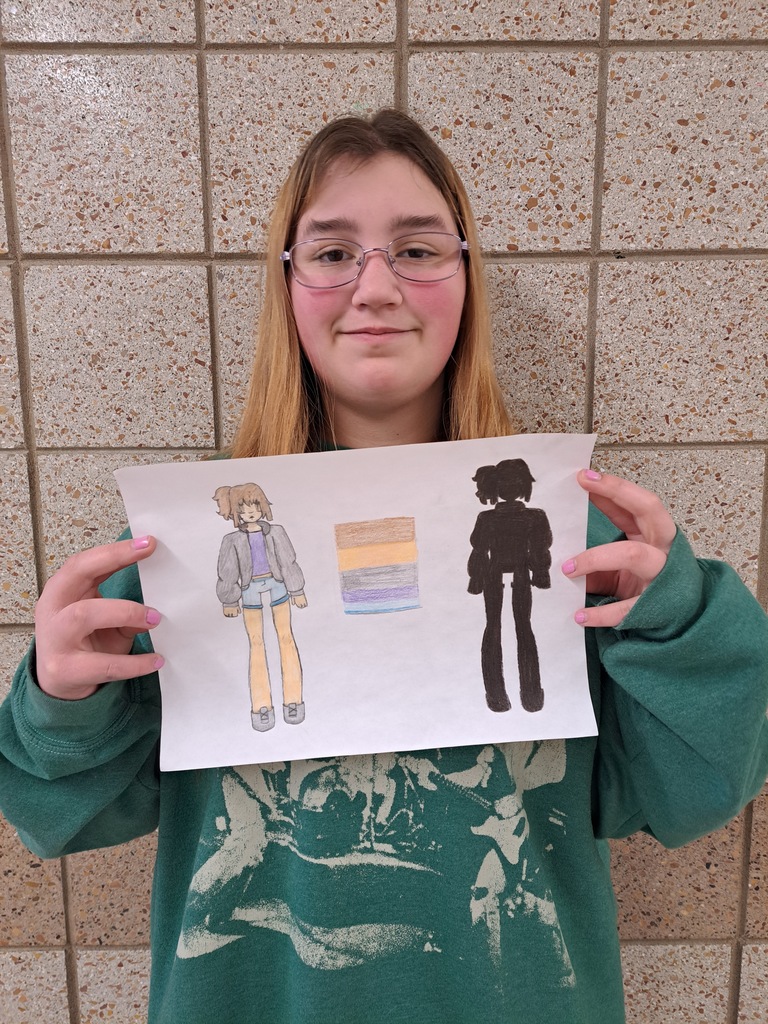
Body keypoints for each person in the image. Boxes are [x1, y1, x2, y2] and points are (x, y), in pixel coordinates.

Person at [0, 109, 766, 1024]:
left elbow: (702, 786)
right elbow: (60, 815)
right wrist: (60, 701)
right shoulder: (173, 565)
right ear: (286, 285)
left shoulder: (584, 550)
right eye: (331, 253)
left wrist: (681, 620)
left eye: (417, 248)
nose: (374, 287)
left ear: (465, 279)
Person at [213, 481, 308, 732]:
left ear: (262, 505)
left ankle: (294, 701)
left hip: (278, 587)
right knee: (256, 644)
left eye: (254, 505)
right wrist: (230, 599)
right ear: (236, 512)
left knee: (286, 638)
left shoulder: (276, 532)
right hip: (249, 591)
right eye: (243, 509)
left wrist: (296, 589)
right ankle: (261, 707)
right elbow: (227, 570)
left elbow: (288, 561)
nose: (250, 512)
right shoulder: (231, 540)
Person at [468, 459, 553, 714]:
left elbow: (539, 547)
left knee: (511, 627)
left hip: (514, 573)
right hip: (506, 572)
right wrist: (540, 573)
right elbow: (480, 550)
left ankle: (515, 696)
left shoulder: (500, 517)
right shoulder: (531, 517)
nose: (511, 486)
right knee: (505, 627)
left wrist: (539, 572)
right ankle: (519, 696)